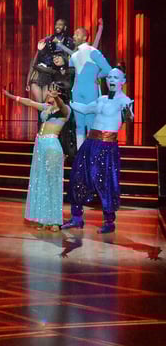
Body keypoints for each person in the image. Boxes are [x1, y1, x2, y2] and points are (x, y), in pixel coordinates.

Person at [65, 67, 133, 233]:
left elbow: (130, 117)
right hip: (90, 143)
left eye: (115, 77)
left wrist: (128, 113)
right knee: (78, 176)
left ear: (123, 81)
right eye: (109, 77)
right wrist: (68, 101)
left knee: (106, 182)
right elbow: (85, 109)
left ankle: (109, 222)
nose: (111, 80)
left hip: (107, 146)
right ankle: (76, 218)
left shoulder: (124, 101)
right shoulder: (101, 99)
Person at [2, 84, 70, 231]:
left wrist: (57, 98)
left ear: (59, 93)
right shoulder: (47, 107)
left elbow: (63, 107)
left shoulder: (65, 110)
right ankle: (43, 219)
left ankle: (55, 221)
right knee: (42, 182)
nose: (48, 93)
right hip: (40, 146)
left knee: (52, 183)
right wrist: (11, 96)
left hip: (52, 146)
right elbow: (29, 102)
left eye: (51, 91)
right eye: (49, 91)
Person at [59, 21, 110, 148]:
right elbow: (71, 72)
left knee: (91, 124)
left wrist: (96, 76)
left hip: (90, 92)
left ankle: (92, 152)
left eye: (77, 34)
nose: (74, 37)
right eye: (74, 34)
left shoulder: (93, 52)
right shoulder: (74, 56)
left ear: (85, 37)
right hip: (77, 92)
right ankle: (81, 153)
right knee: (79, 126)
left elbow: (108, 70)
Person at [26, 18, 72, 102]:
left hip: (54, 78)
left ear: (65, 27)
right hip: (40, 75)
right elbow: (35, 60)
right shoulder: (47, 40)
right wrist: (28, 81)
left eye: (60, 24)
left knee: (46, 103)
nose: (57, 26)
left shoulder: (70, 42)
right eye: (56, 24)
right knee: (41, 104)